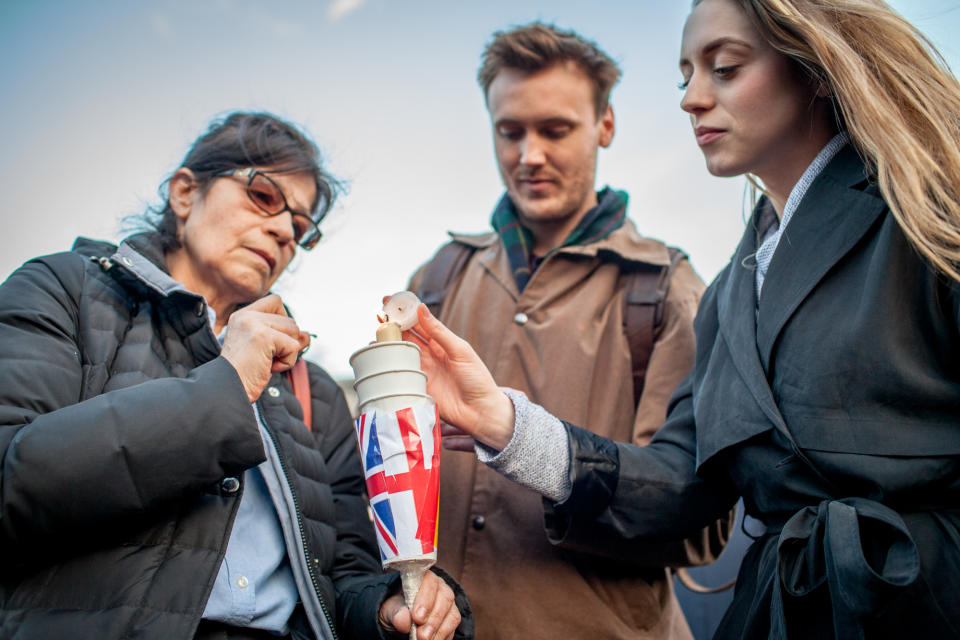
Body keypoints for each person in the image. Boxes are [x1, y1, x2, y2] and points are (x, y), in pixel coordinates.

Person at [401, 0, 960, 637]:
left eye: (723, 68)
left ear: (815, 62)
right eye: (685, 75)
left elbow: (696, 525)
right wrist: (505, 425)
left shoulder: (932, 218)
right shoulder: (731, 292)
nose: (692, 98)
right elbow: (682, 485)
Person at [0, 112, 470, 640]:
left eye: (299, 227)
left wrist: (386, 611)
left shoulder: (311, 389)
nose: (281, 231)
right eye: (263, 196)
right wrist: (225, 387)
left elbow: (343, 574)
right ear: (184, 192)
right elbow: (11, 483)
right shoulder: (61, 292)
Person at [406, 22, 731, 640]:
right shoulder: (435, 280)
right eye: (511, 131)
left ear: (605, 126)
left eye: (555, 130)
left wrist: (527, 446)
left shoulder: (669, 291)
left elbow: (701, 524)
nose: (530, 155)